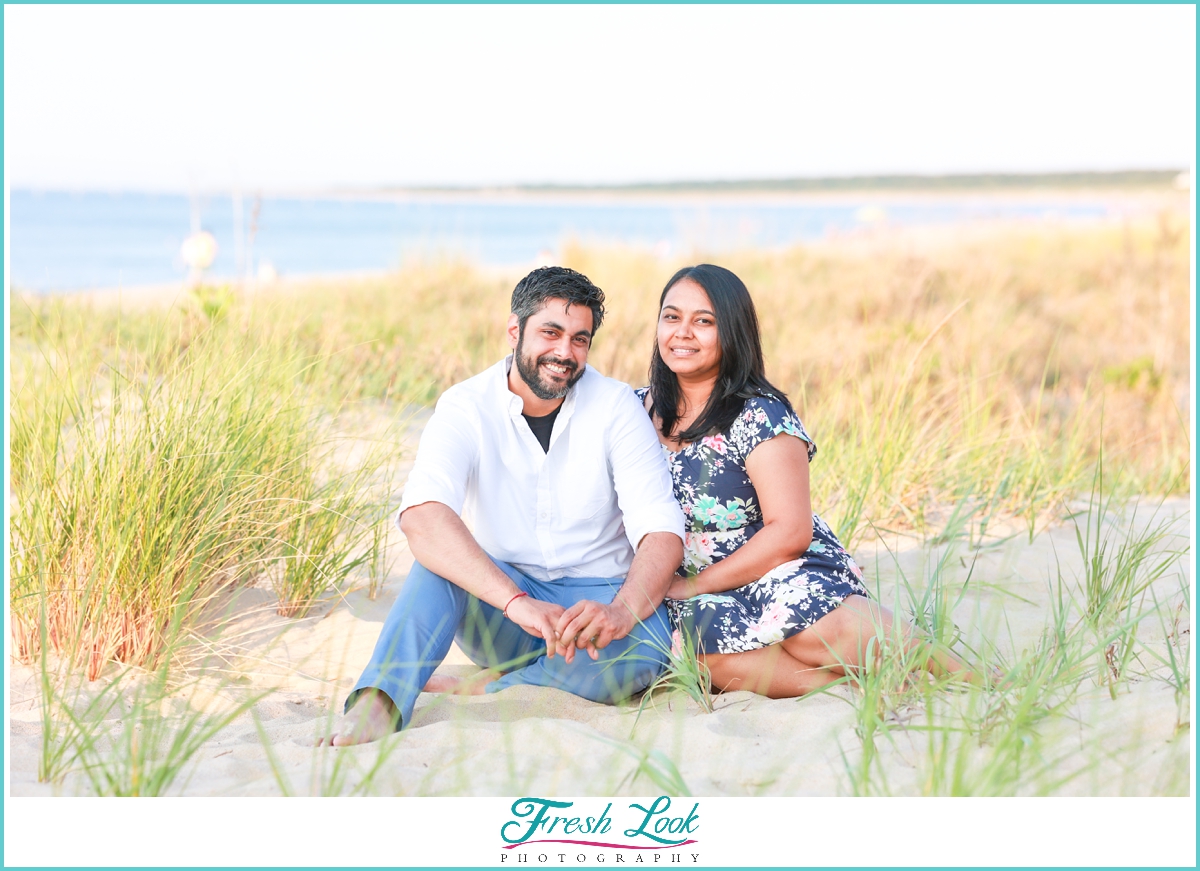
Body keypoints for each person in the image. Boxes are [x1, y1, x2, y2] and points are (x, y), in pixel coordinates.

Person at [324, 266, 685, 745]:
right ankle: (380, 700)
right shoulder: (465, 405)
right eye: (550, 333)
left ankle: (496, 684)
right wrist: (519, 604)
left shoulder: (616, 406)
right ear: (515, 330)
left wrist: (619, 612)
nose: (564, 352)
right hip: (502, 604)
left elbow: (660, 529)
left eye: (580, 339)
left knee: (644, 651)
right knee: (437, 563)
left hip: (596, 604)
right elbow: (422, 517)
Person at [638, 264, 973, 698]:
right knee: (701, 647)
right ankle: (845, 692)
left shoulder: (760, 414)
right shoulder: (632, 412)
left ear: (733, 333)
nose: (682, 333)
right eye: (672, 317)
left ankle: (970, 677)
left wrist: (695, 585)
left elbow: (790, 532)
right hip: (686, 579)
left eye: (704, 321)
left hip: (774, 565)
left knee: (804, 624)